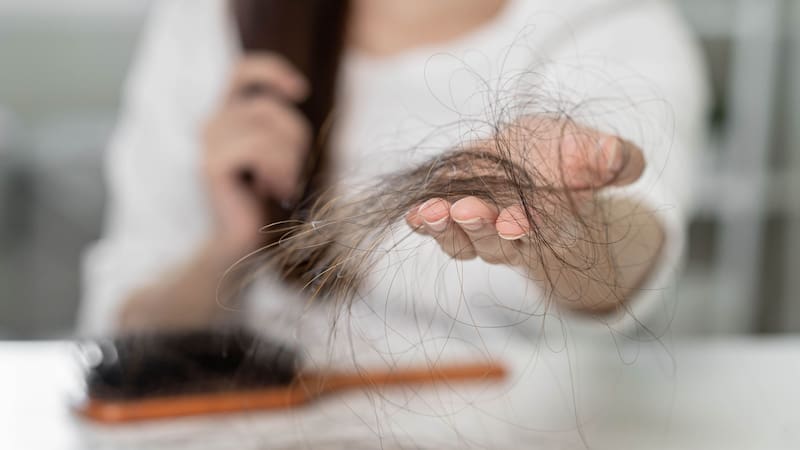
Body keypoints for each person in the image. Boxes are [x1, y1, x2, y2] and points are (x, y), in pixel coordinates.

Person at [79, 0, 708, 369]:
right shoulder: (212, 22)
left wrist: (568, 226)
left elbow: (631, 264)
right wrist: (230, 244)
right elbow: (121, 328)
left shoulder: (611, 22)